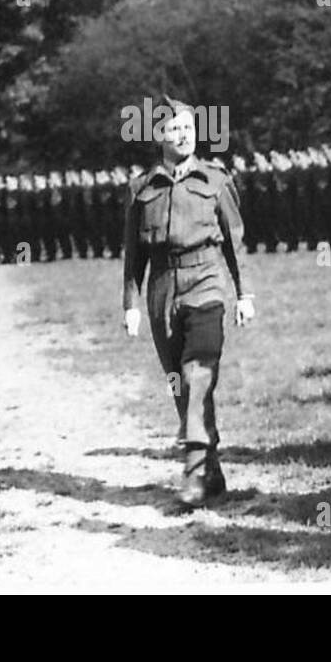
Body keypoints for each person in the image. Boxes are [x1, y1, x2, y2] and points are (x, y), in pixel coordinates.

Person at [122, 98, 255, 508]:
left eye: (188, 127)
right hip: (162, 286)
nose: (182, 135)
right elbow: (133, 254)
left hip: (207, 280)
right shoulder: (142, 188)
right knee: (179, 381)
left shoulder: (215, 179)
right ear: (158, 135)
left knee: (198, 370)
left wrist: (244, 293)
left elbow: (235, 240)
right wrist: (130, 304)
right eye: (173, 129)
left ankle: (193, 467)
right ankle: (212, 468)